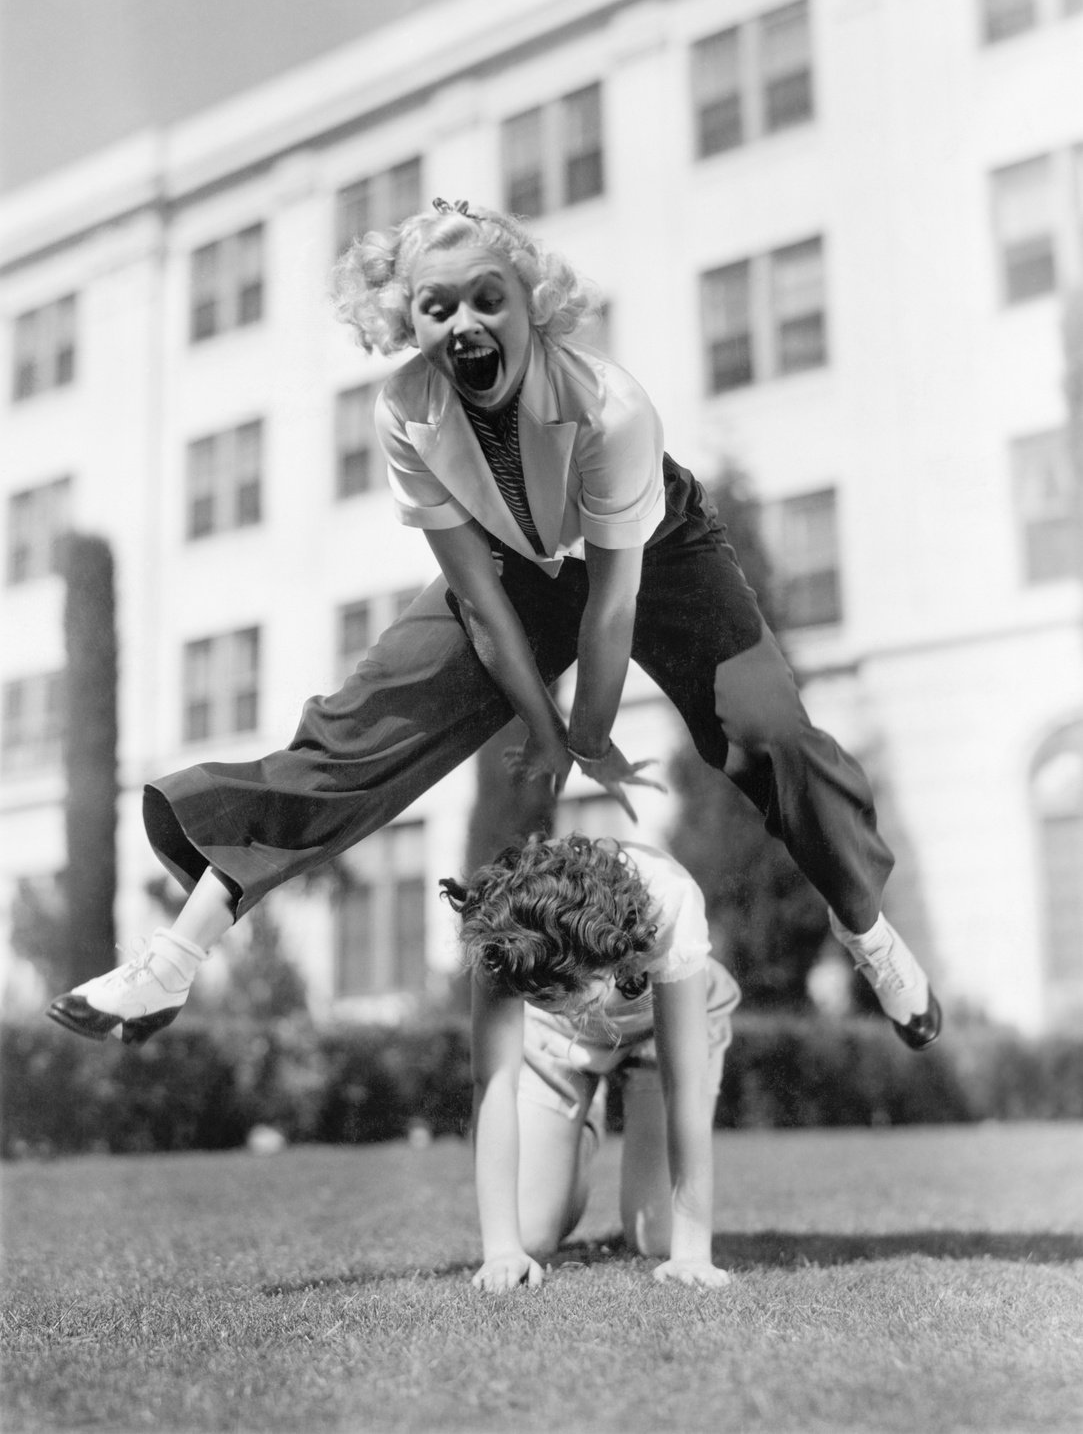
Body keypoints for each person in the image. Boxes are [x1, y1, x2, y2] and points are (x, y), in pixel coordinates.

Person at [48, 198, 941, 1052]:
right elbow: (476, 599)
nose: (465, 322)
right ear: (411, 322)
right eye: (438, 307)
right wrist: (545, 733)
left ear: (532, 304)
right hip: (512, 567)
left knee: (770, 732)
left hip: (657, 558)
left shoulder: (609, 406)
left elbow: (614, 602)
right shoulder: (406, 409)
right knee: (355, 731)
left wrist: (586, 731)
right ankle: (171, 963)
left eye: (488, 298)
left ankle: (866, 930)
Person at [442, 832, 739, 1292]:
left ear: (611, 955)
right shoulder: (503, 932)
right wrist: (502, 1250)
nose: (569, 1006)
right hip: (558, 1045)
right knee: (532, 1234)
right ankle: (579, 1123)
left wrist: (693, 1255)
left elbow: (687, 1085)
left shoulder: (670, 898)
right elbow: (494, 1082)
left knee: (657, 1238)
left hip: (662, 1038)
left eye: (577, 997)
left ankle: (594, 1102)